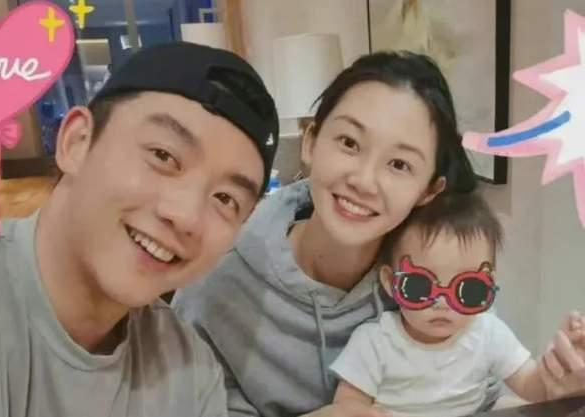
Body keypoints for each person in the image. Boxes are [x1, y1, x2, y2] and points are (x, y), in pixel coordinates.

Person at [172, 50, 585, 417]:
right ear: (311, 141)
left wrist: (557, 388)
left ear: (429, 190)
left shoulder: (434, 266)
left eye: (400, 164)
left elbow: (482, 389)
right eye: (349, 142)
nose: (364, 181)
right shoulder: (215, 287)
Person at [0, 42, 279, 417]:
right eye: (163, 155)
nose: (186, 216)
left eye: (225, 199)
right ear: (76, 142)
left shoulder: (191, 376)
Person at [331, 192, 585, 417]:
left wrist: (559, 367)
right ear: (390, 282)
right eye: (419, 286)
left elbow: (531, 386)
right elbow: (347, 404)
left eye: (469, 290)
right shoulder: (375, 341)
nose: (442, 303)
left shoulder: (487, 332)